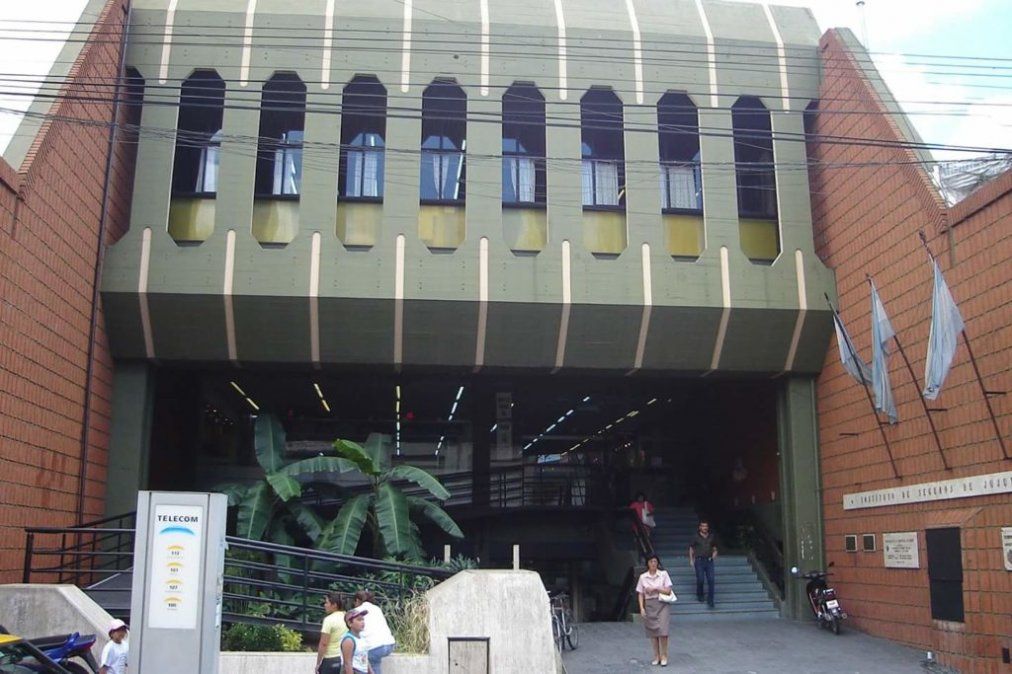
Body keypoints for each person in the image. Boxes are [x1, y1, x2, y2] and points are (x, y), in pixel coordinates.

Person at [635, 554, 673, 667]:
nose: (653, 564)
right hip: (650, 604)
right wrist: (642, 608)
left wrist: (656, 588)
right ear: (647, 563)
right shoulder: (643, 577)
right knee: (653, 631)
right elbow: (640, 593)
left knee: (663, 631)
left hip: (662, 604)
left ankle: (664, 655)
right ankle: (656, 656)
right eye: (651, 561)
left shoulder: (663, 574)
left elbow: (668, 590)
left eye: (655, 561)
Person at [353, 590, 396, 674]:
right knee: (375, 665)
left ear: (357, 600)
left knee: (362, 665)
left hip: (373, 647)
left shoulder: (356, 611)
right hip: (389, 644)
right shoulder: (377, 608)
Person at [688, 519, 718, 608]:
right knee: (700, 579)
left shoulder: (711, 537)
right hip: (699, 560)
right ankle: (700, 594)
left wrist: (714, 554)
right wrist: (691, 559)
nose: (705, 528)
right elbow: (691, 548)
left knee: (711, 580)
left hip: (709, 560)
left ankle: (710, 600)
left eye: (706, 526)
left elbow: (714, 548)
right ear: (700, 527)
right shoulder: (696, 537)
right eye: (703, 526)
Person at [316, 592, 346, 674]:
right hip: (343, 657)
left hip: (330, 658)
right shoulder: (347, 617)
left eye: (327, 603)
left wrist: (318, 663)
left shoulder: (329, 620)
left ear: (334, 605)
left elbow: (323, 643)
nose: (325, 605)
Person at [340, 607, 373, 674]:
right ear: (350, 623)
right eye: (359, 620)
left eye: (363, 619)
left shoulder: (362, 638)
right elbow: (347, 663)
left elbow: (364, 657)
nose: (362, 622)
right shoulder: (349, 640)